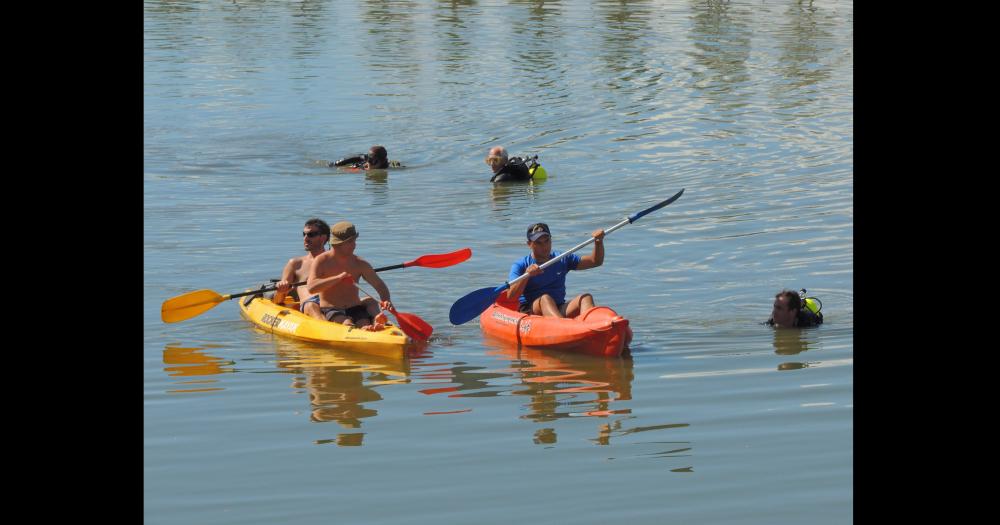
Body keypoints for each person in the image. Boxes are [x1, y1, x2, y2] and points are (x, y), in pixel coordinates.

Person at [505, 222, 606, 318]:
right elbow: (510, 297)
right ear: (529, 244)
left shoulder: (562, 258)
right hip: (531, 310)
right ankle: (564, 327)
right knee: (545, 299)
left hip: (559, 307)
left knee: (585, 298)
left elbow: (595, 262)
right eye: (538, 243)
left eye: (547, 241)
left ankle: (590, 327)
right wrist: (527, 275)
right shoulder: (520, 265)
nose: (544, 246)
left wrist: (598, 242)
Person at [306, 221, 391, 330]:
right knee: (346, 323)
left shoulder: (360, 263)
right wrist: (338, 278)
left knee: (364, 322)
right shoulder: (321, 261)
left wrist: (386, 300)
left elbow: (380, 286)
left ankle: (375, 323)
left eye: (354, 241)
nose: (355, 245)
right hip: (332, 309)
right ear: (337, 244)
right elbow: (311, 288)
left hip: (355, 308)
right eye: (350, 242)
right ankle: (359, 330)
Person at [272, 218, 331, 320]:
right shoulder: (295, 264)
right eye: (304, 234)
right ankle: (329, 332)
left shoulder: (335, 261)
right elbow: (278, 301)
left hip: (334, 303)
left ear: (323, 238)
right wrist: (281, 290)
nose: (306, 238)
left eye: (311, 235)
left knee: (367, 301)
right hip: (311, 304)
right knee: (311, 306)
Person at [330, 145, 398, 169]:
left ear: (383, 161)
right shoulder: (364, 163)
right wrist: (337, 164)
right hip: (359, 158)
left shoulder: (388, 166)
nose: (369, 163)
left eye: (373, 161)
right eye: (369, 160)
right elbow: (356, 158)